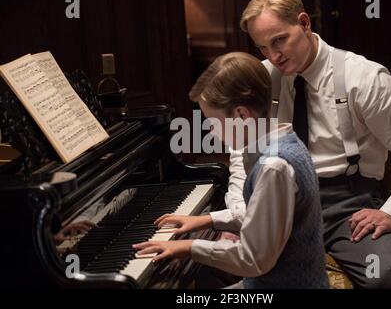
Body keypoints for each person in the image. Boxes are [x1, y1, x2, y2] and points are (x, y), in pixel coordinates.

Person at [236, 0, 391, 288]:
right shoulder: (262, 78)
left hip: (346, 204)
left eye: (279, 40)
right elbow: (240, 149)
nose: (273, 56)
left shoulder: (361, 77)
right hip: (278, 201)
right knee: (210, 265)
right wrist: (240, 215)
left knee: (383, 276)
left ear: (305, 23)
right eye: (263, 47)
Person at [133, 52, 329, 289]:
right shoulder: (289, 142)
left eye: (214, 123)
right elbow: (259, 217)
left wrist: (189, 247)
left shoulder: (272, 167)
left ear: (241, 115)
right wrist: (206, 220)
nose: (213, 133)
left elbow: (254, 259)